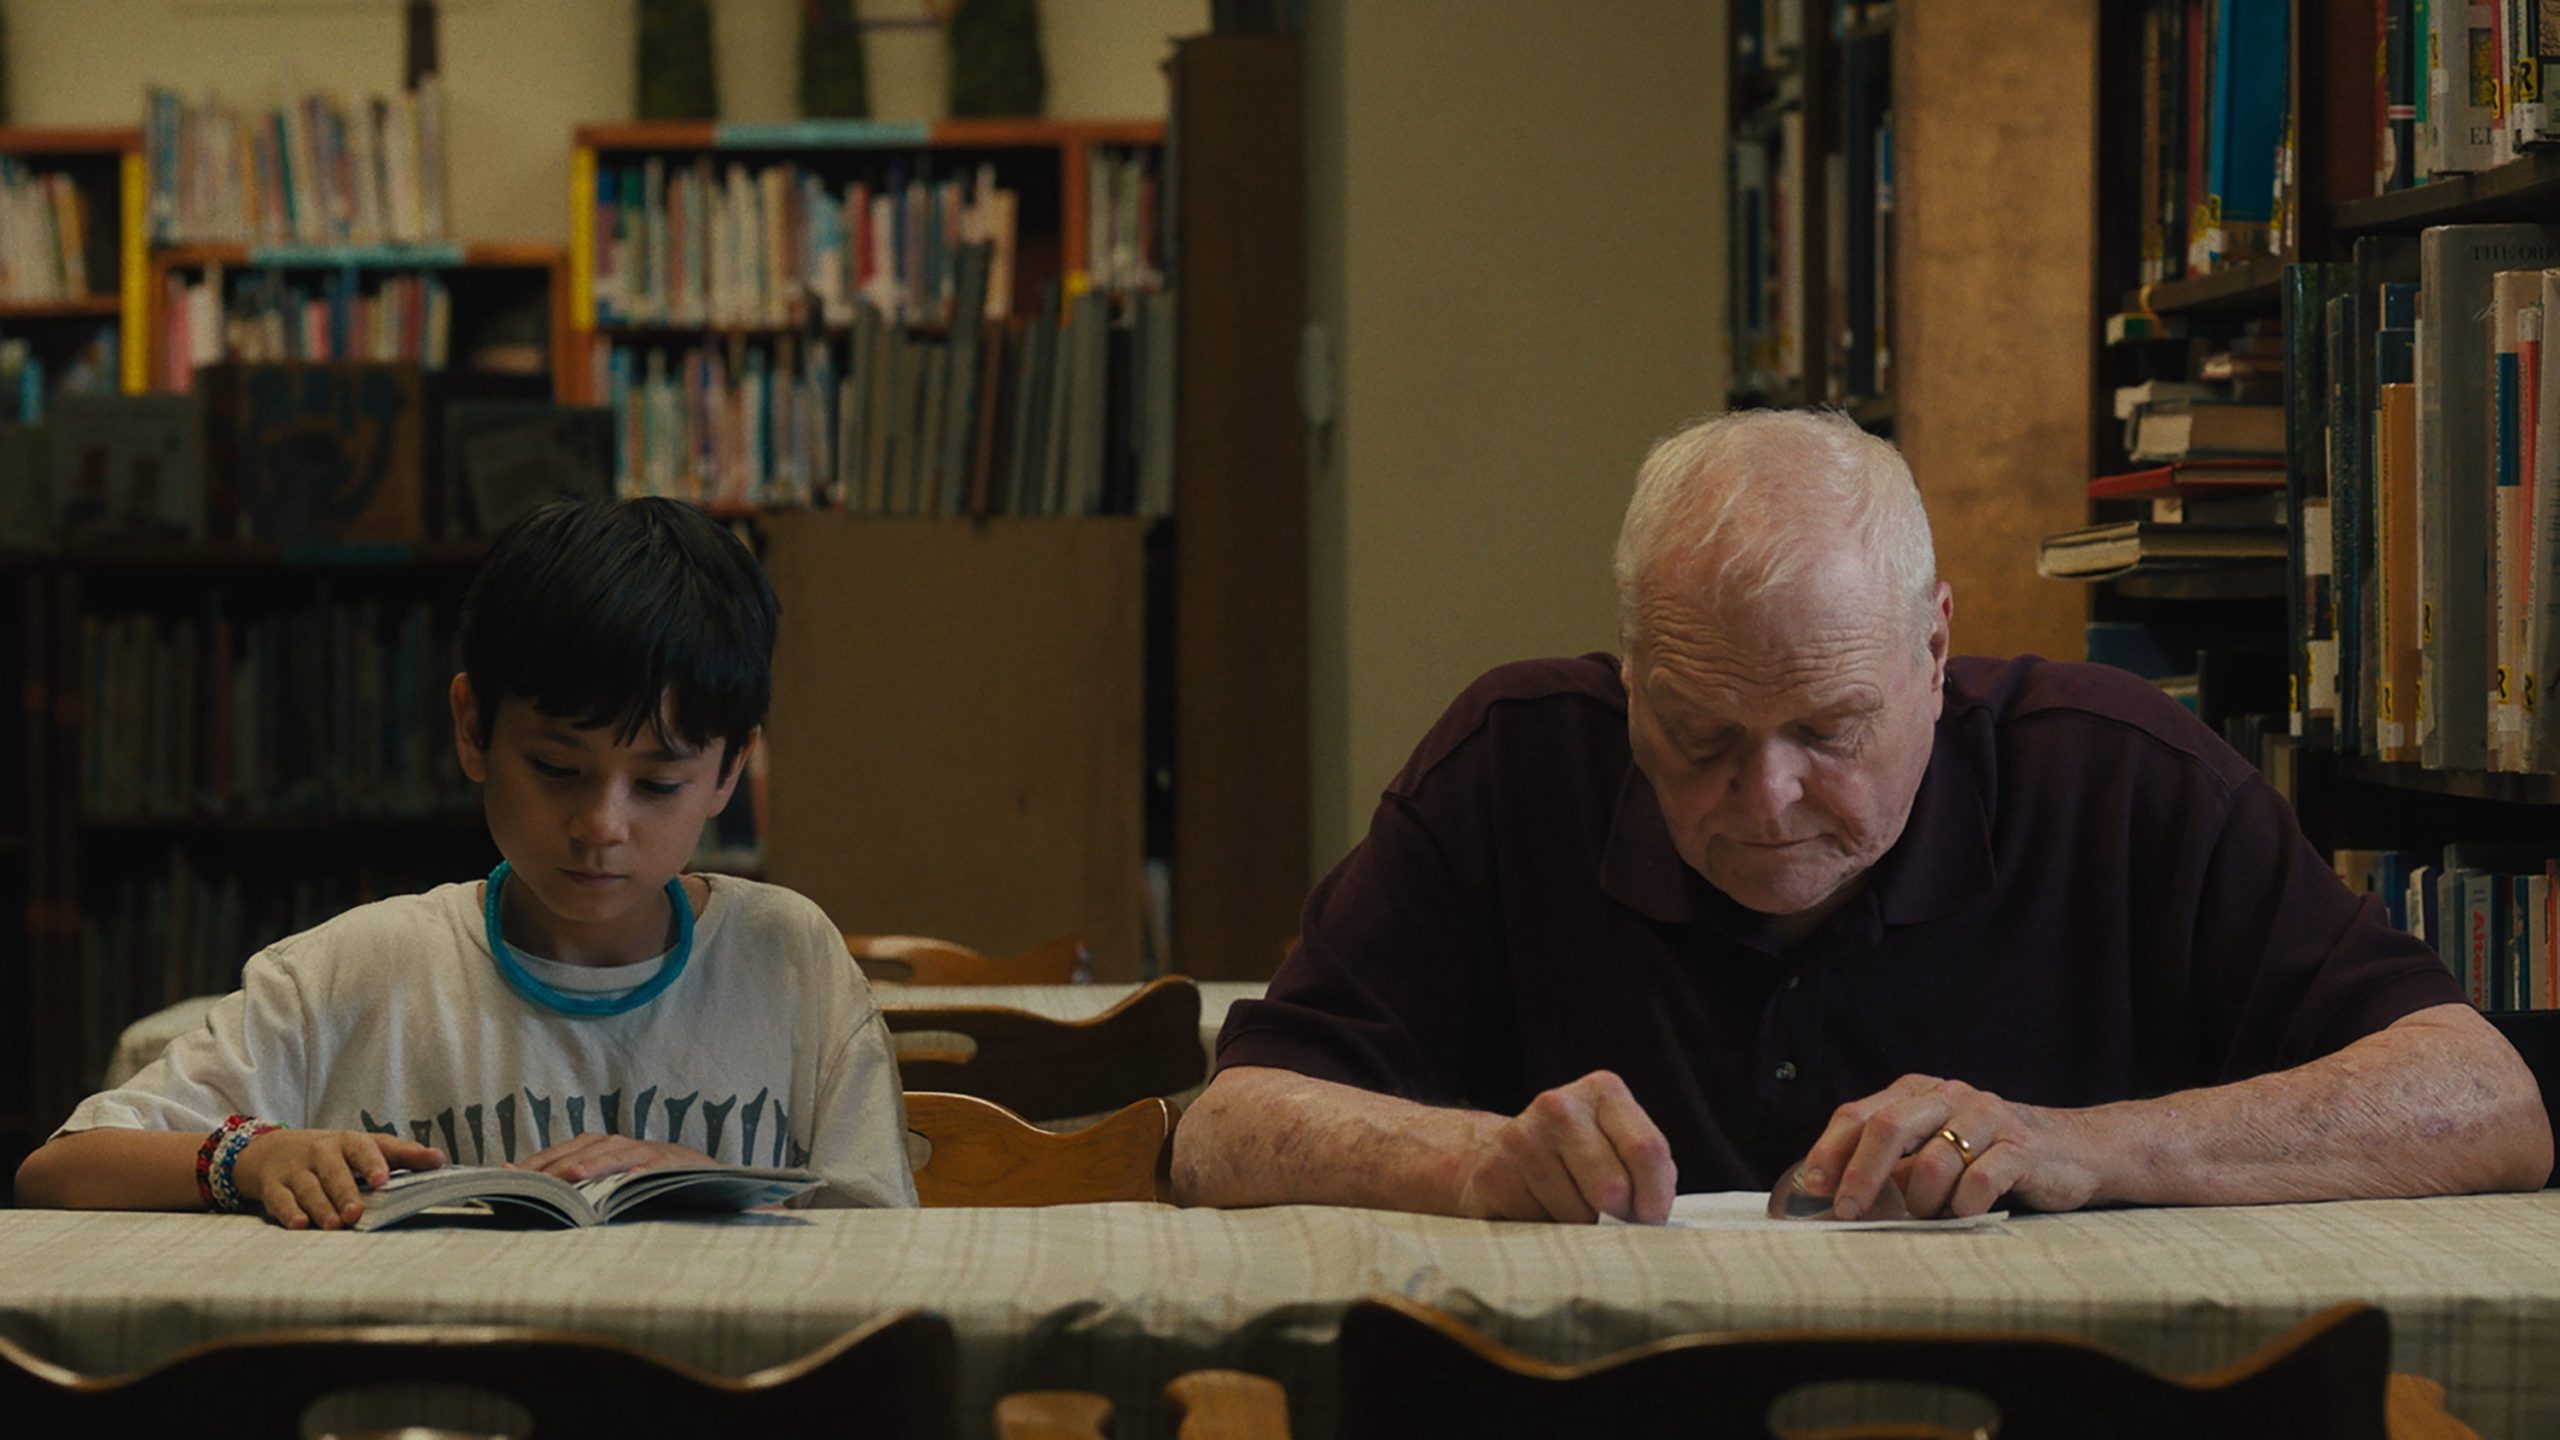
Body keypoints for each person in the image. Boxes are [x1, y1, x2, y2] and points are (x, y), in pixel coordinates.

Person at [1173, 408, 2552, 1225]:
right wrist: (1470, 1157)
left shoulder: (2117, 775)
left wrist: (2081, 1144)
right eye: (1698, 735)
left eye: (1828, 733)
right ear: (1631, 672)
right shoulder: (1516, 760)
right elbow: (1226, 1127)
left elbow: (2485, 1098)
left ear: (1934, 654)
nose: (1764, 800)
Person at [15, 497, 916, 1226]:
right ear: (473, 729)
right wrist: (253, 1156)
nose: (601, 824)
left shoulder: (789, 959)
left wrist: (717, 1187)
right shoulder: (353, 972)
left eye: (658, 784)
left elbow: (885, 1235)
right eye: (557, 768)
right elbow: (59, 1172)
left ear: (731, 769)